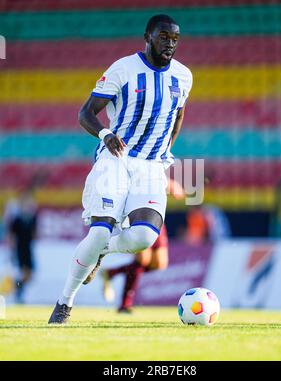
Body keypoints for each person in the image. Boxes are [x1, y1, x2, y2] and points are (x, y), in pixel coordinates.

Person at [48, 14, 193, 324]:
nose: (170, 43)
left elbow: (177, 116)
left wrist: (166, 150)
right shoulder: (124, 69)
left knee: (144, 238)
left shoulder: (183, 77)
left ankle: (102, 252)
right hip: (117, 160)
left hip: (152, 166)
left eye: (175, 39)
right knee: (99, 231)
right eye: (163, 36)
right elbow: (86, 112)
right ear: (148, 37)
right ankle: (64, 303)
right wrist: (105, 134)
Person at [87, 178, 185, 313]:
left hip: (155, 214)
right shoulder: (130, 165)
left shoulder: (151, 164)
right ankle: (125, 304)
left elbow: (154, 173)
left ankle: (110, 273)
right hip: (137, 214)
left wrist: (171, 185)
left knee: (160, 263)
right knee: (142, 260)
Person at [5, 189, 38, 303]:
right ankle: (18, 292)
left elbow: (34, 233)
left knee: (29, 274)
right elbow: (11, 234)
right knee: (24, 271)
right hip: (20, 248)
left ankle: (18, 286)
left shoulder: (32, 218)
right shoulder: (17, 219)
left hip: (28, 248)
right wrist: (11, 248)